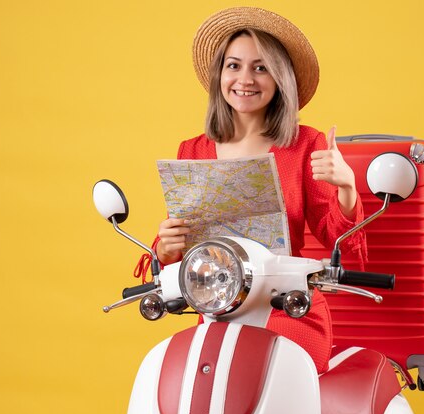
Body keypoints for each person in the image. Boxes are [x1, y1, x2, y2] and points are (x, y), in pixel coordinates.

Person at [136, 7, 367, 374]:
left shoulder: (306, 143)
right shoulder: (192, 151)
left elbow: (335, 238)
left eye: (260, 67)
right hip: (221, 310)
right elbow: (184, 259)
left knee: (263, 371)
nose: (245, 78)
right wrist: (165, 248)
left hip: (289, 308)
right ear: (219, 75)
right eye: (234, 65)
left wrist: (347, 186)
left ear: (280, 78)